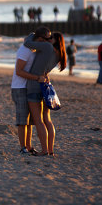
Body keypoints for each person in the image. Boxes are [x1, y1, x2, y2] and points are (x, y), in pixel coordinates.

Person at [24, 27, 67, 156]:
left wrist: (34, 34)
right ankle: (50, 150)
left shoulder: (47, 47)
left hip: (34, 84)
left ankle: (44, 151)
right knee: (47, 120)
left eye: (51, 37)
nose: (48, 38)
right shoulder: (59, 54)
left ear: (56, 41)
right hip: (45, 84)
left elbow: (27, 43)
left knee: (38, 121)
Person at [11, 38, 46, 154]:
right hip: (19, 88)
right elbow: (19, 71)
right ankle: (23, 148)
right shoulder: (25, 50)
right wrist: (37, 78)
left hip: (27, 88)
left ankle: (29, 146)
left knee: (29, 121)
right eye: (45, 39)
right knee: (22, 121)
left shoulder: (32, 51)